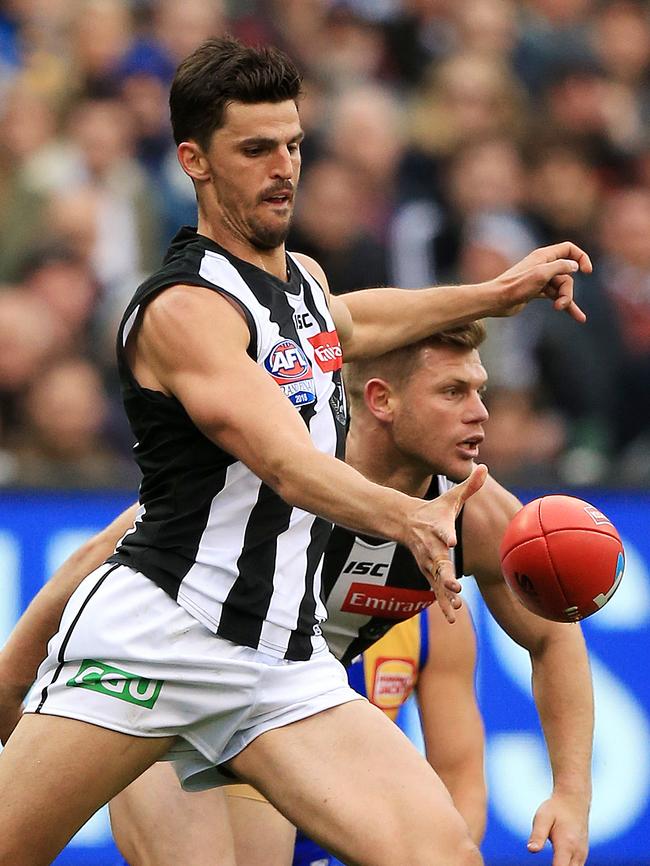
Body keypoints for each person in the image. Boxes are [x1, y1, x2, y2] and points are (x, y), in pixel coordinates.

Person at [0, 36, 592, 866]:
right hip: (158, 638)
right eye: (255, 150)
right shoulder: (184, 310)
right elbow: (287, 462)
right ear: (194, 162)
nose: (283, 167)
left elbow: (357, 321)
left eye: (294, 145)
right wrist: (407, 515)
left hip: (280, 659)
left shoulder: (301, 286)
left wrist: (499, 293)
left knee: (446, 857)